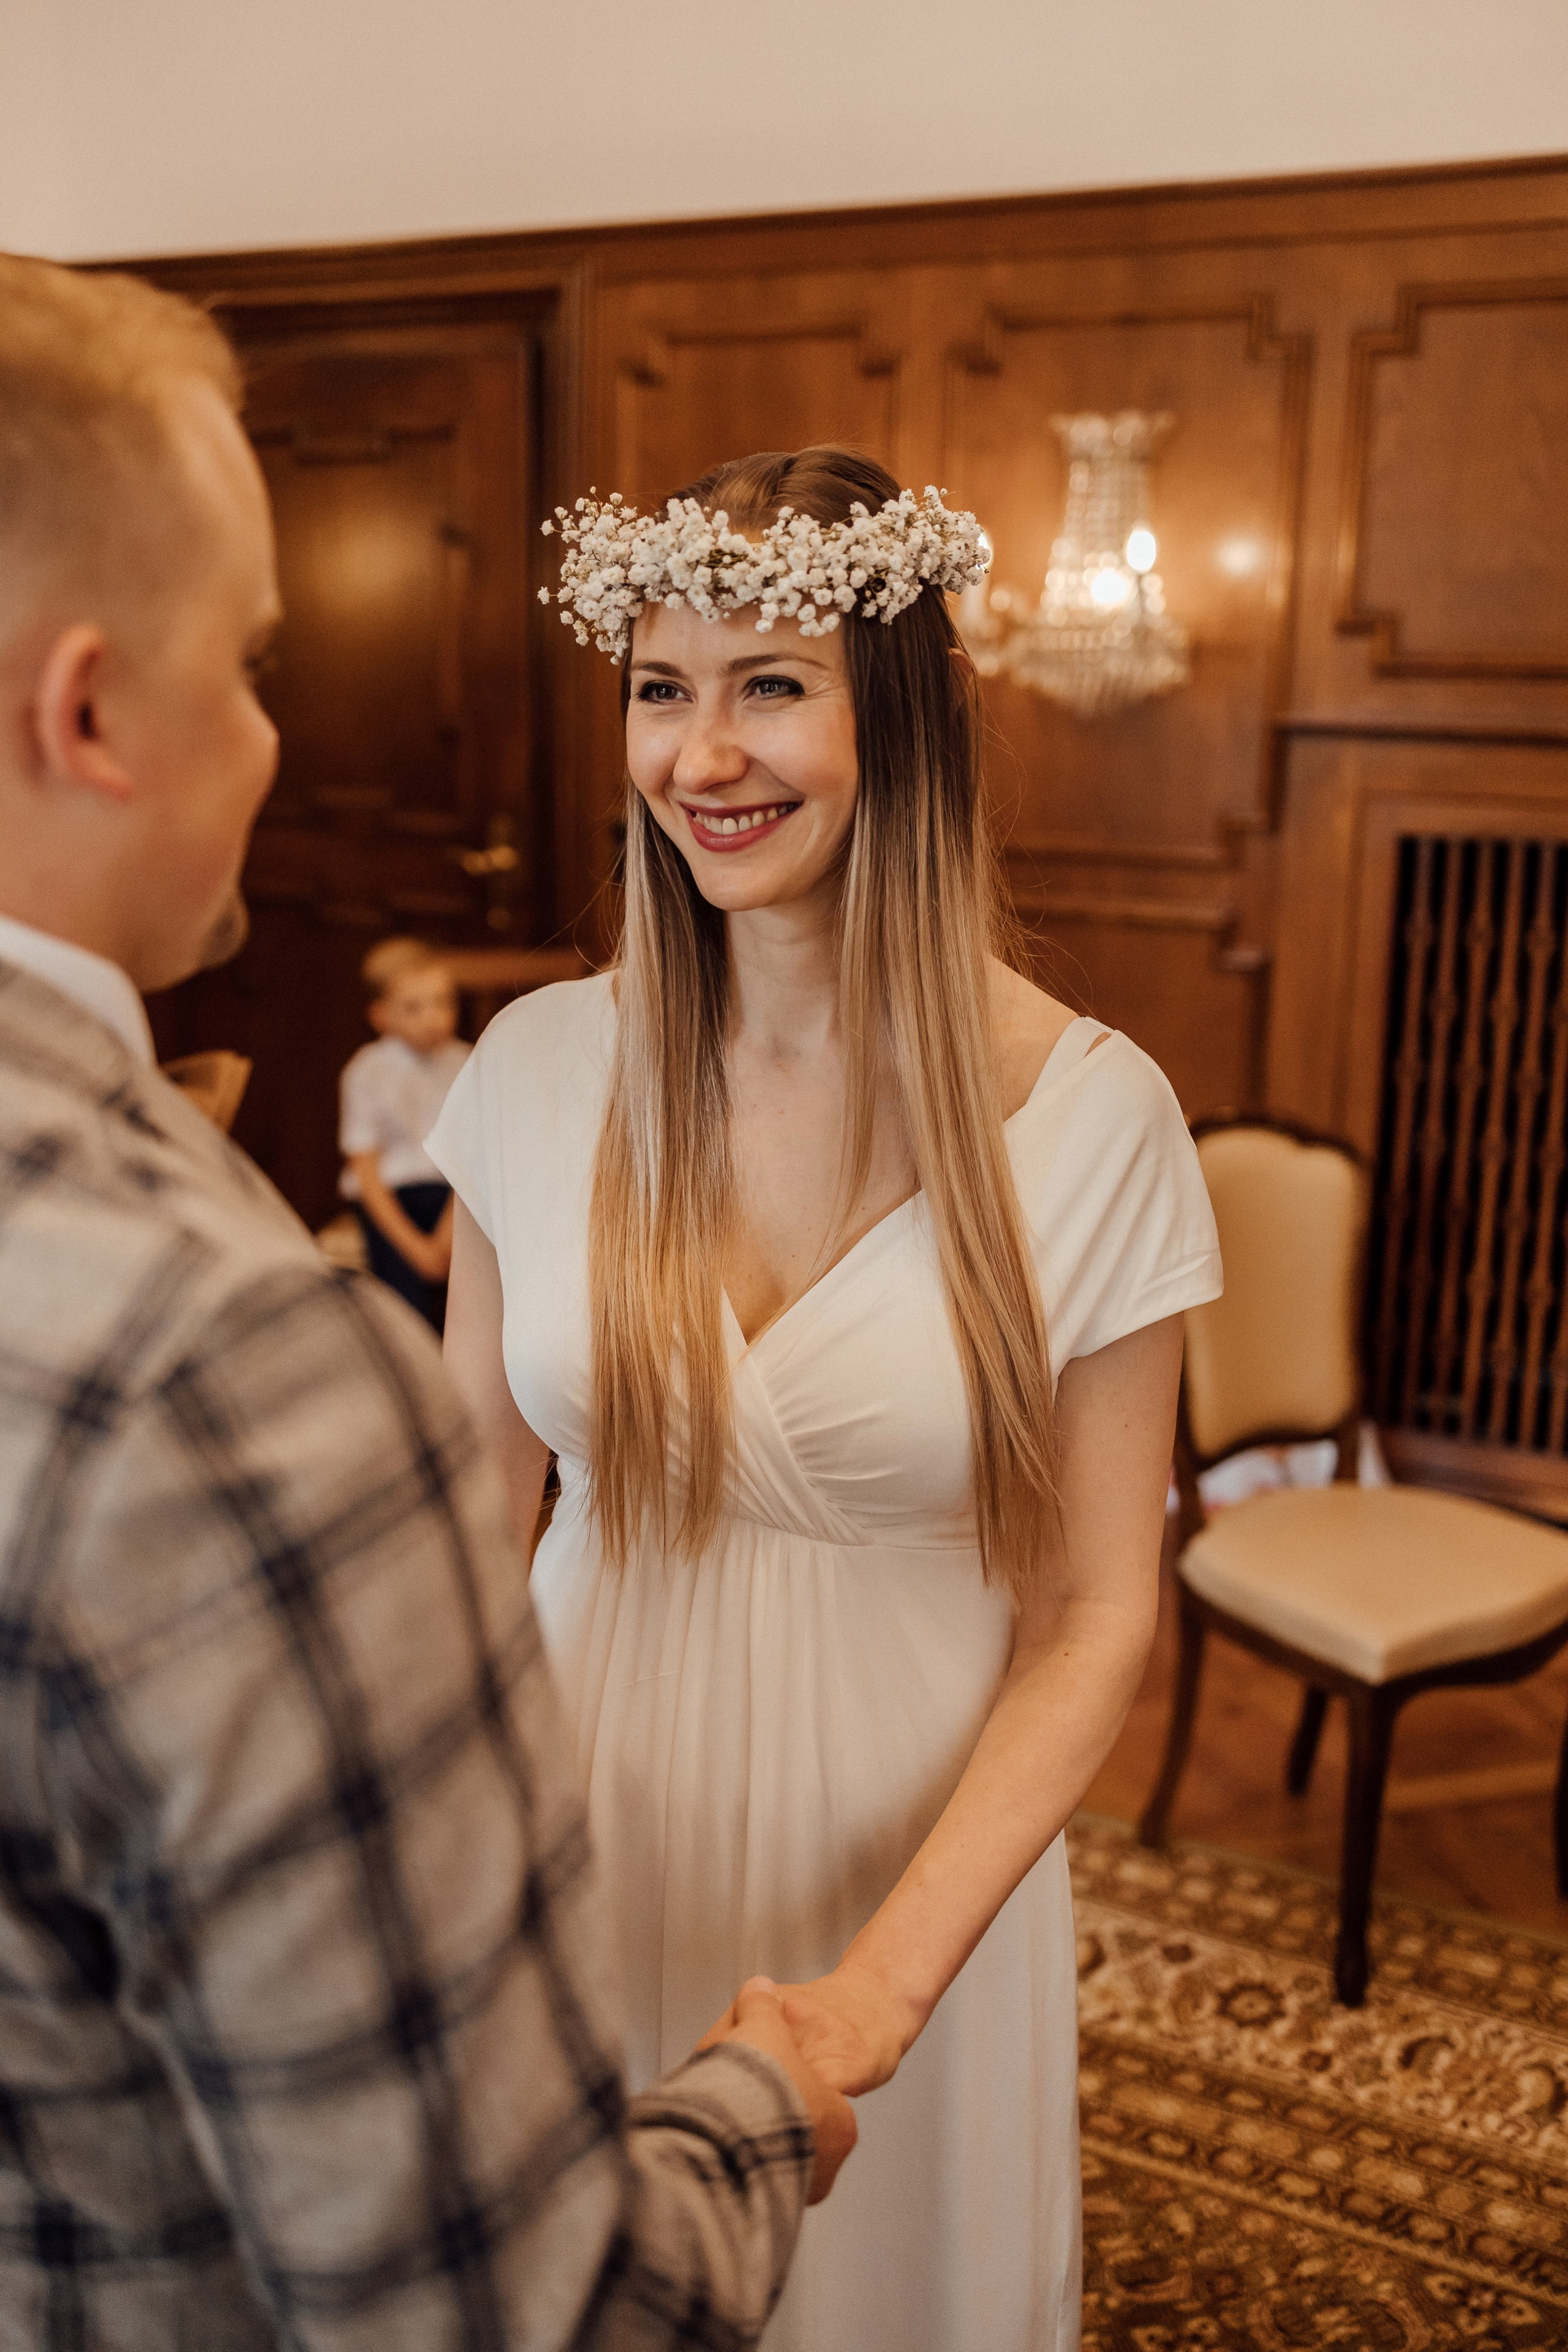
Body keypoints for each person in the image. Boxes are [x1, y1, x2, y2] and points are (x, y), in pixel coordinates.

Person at [0, 254, 854, 2350]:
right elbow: (507, 2315)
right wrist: (763, 2105)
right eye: (254, 661)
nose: (275, 733)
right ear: (88, 713)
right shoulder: (230, 1368)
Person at [432, 447, 1224, 2351]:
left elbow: (1095, 1609)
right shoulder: (535, 1067)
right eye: (661, 687)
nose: (702, 754)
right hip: (579, 1822)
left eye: (770, 684)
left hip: (907, 1877)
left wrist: (879, 1991)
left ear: (902, 720)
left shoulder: (1093, 1115)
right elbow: (462, 1518)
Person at [340, 935, 467, 1330]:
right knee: (401, 1307)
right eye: (413, 1007)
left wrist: (447, 1237)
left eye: (443, 1002)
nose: (433, 1017)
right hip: (391, 1200)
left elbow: (474, 1157)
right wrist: (416, 1248)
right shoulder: (367, 1070)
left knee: (467, 1302)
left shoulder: (468, 1061)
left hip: (457, 1197)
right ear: (380, 1016)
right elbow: (365, 1169)